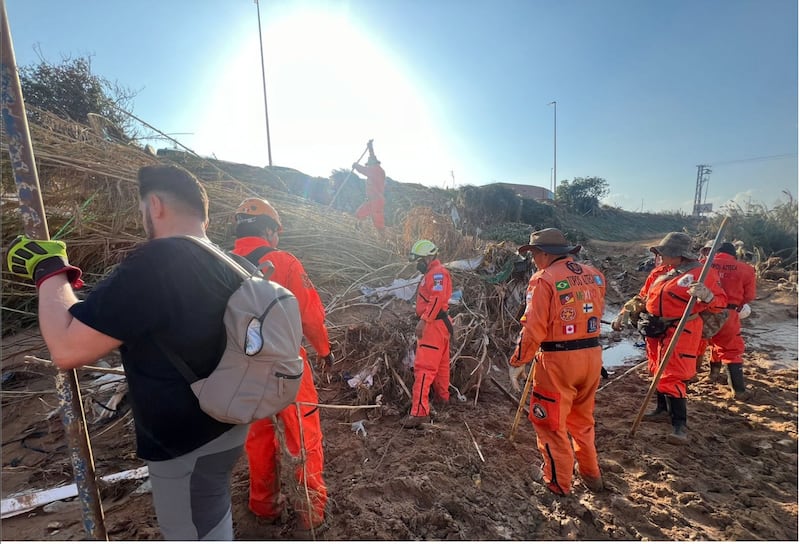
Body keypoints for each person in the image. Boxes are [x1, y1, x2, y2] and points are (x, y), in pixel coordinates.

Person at [7, 165, 247, 540]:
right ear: (204, 213)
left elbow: (67, 348)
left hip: (183, 444)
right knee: (211, 517)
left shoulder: (159, 262)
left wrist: (48, 269)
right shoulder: (233, 265)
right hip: (230, 424)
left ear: (155, 206)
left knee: (193, 529)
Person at [232, 197, 331, 534]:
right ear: (271, 231)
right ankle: (310, 514)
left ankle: (264, 506)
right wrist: (323, 349)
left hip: (242, 371)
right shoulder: (283, 261)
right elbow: (311, 315)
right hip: (287, 367)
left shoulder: (221, 264)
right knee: (304, 437)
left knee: (257, 439)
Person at [507, 228, 606, 495]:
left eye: (534, 253)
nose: (533, 260)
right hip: (592, 356)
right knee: (582, 422)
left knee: (549, 425)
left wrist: (518, 361)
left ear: (544, 254)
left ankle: (557, 484)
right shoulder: (595, 275)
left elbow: (533, 328)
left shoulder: (543, 280)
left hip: (558, 362)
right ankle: (591, 474)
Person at [612, 232, 727, 444]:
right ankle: (662, 410)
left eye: (664, 253)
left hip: (682, 329)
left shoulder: (703, 273)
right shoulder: (660, 272)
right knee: (656, 369)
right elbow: (643, 296)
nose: (659, 257)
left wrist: (707, 295)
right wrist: (626, 312)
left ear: (679, 255)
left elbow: (720, 303)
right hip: (655, 328)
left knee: (672, 374)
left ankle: (679, 425)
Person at [696, 241, 756, 397]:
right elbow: (749, 296)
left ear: (715, 252)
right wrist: (736, 305)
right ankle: (738, 391)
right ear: (734, 254)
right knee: (731, 350)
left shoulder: (703, 264)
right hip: (729, 313)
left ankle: (690, 379)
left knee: (694, 344)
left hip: (702, 311)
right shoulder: (746, 269)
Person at [403, 239, 453, 428]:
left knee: (424, 369)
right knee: (441, 367)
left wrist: (424, 321)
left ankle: (419, 412)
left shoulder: (437, 273)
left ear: (429, 257)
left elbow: (437, 299)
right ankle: (443, 399)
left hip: (433, 326)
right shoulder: (435, 273)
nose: (418, 264)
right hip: (442, 325)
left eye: (420, 260)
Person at [352, 141, 386, 232]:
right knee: (359, 214)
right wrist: (370, 148)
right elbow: (372, 156)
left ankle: (383, 239)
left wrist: (356, 166)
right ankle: (359, 231)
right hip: (371, 200)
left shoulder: (376, 170)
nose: (368, 166)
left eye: (369, 165)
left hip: (377, 200)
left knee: (378, 222)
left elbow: (364, 170)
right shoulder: (375, 169)